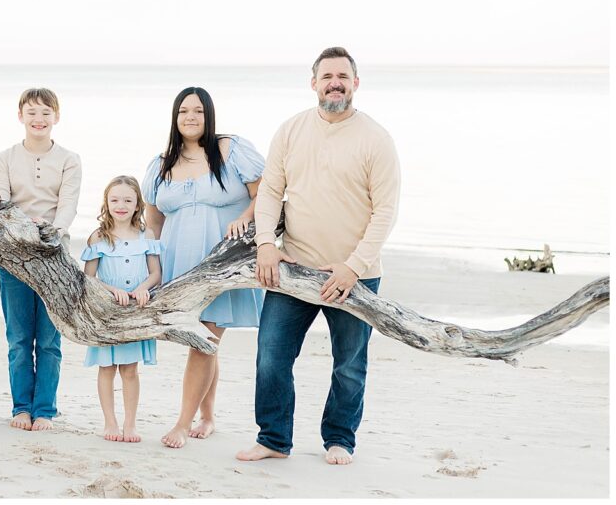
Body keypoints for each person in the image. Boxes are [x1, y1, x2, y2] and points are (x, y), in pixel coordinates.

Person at [236, 47, 401, 466]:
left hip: (354, 275)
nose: (335, 83)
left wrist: (353, 267)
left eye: (343, 76)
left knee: (349, 364)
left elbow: (385, 212)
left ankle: (339, 439)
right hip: (292, 268)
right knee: (271, 356)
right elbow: (271, 192)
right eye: (327, 76)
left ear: (356, 83)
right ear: (313, 83)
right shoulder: (291, 131)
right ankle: (273, 437)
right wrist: (266, 245)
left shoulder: (375, 139)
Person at [142, 86, 267, 449]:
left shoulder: (233, 150)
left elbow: (266, 194)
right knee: (205, 341)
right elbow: (154, 219)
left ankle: (183, 423)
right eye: (183, 112)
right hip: (179, 266)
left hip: (221, 264)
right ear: (175, 117)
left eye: (198, 111)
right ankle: (208, 416)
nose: (191, 118)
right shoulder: (162, 162)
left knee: (204, 340)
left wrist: (245, 219)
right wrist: (153, 269)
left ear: (209, 115)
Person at [0, 88, 81, 431]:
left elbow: (68, 205)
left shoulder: (69, 159)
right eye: (32, 112)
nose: (39, 119)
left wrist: (51, 229)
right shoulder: (5, 157)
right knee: (19, 339)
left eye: (46, 113)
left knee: (49, 340)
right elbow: (3, 196)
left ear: (56, 117)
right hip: (14, 256)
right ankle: (21, 408)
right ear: (20, 116)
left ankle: (45, 411)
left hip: (55, 256)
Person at [81, 176, 163, 443]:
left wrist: (143, 288)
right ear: (106, 202)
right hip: (108, 311)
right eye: (115, 199)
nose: (121, 205)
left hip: (136, 310)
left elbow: (155, 273)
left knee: (129, 369)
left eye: (128, 200)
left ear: (138, 204)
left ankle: (130, 424)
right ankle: (110, 422)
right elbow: (89, 277)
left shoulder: (146, 235)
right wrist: (111, 290)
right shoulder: (98, 236)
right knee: (107, 368)